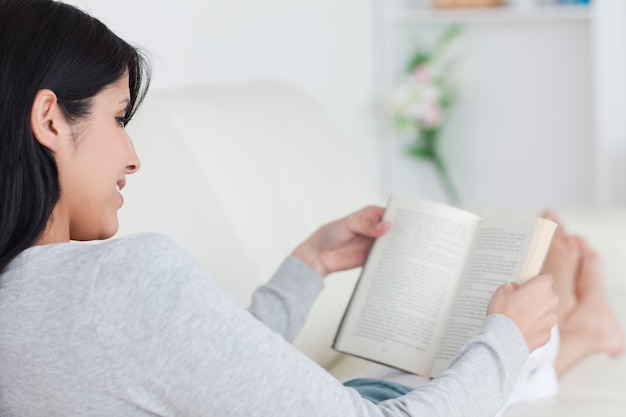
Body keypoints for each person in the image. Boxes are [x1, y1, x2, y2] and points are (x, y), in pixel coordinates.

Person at [0, 1, 573, 416]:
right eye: (118, 118)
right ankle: (570, 322)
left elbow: (193, 368)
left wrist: (308, 266)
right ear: (50, 119)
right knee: (431, 375)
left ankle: (576, 327)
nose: (132, 157)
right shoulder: (119, 282)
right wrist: (507, 338)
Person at [342, 212, 624, 414]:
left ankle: (588, 331)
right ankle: (567, 301)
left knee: (475, 372)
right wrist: (508, 330)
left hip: (360, 393)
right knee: (506, 352)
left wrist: (311, 262)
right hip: (392, 401)